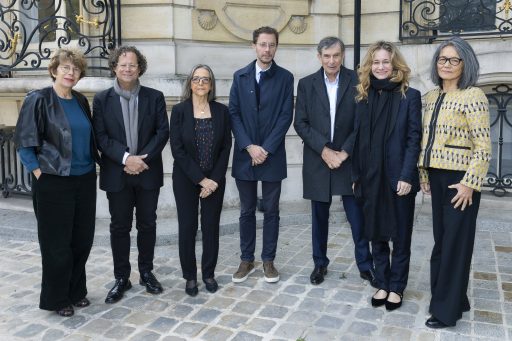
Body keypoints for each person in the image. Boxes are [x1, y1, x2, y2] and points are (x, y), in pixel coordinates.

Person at [14, 48, 99, 317]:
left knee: (82, 239)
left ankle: (76, 291)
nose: (70, 72)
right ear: (54, 70)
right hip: (54, 181)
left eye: (75, 69)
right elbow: (24, 142)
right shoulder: (38, 99)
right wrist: (39, 174)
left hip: (84, 179)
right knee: (56, 244)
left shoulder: (81, 100)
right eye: (65, 67)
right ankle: (57, 297)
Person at [418, 36, 491, 328]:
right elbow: (425, 140)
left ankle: (446, 312)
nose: (446, 64)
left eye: (453, 60)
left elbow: (483, 146)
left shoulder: (473, 96)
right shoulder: (432, 96)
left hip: (460, 182)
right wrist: (424, 173)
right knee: (443, 242)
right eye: (442, 59)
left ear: (465, 63)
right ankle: (455, 298)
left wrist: (469, 183)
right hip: (436, 176)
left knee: (454, 246)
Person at [294, 36, 376, 287]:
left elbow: (363, 123)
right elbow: (301, 123)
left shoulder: (358, 80)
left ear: (343, 56)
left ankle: (365, 265)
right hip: (319, 159)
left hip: (348, 160)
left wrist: (344, 152)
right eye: (326, 56)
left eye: (336, 55)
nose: (332, 61)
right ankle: (320, 263)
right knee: (319, 217)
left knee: (356, 217)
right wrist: (324, 151)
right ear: (319, 57)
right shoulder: (306, 84)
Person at [93, 46, 169, 303]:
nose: (128, 69)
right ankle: (121, 277)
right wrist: (127, 159)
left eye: (133, 65)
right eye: (123, 64)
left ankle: (146, 272)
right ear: (114, 66)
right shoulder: (102, 99)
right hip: (118, 173)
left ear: (140, 68)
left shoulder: (154, 97)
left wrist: (141, 160)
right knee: (120, 226)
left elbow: (162, 132)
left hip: (147, 171)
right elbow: (101, 137)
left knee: (148, 224)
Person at [351, 41, 422, 311]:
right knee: (375, 233)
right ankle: (382, 282)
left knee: (401, 235)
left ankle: (397, 287)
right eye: (376, 62)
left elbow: (414, 138)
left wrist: (406, 175)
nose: (381, 67)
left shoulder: (410, 96)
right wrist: (356, 175)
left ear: (395, 65)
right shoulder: (363, 97)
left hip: (398, 178)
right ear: (370, 66)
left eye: (386, 62)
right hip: (370, 178)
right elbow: (357, 139)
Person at [229, 26, 294, 283]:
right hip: (246, 154)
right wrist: (249, 146)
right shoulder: (240, 76)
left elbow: (285, 116)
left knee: (272, 210)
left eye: (272, 45)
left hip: (272, 154)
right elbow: (233, 113)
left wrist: (265, 148)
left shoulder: (286, 77)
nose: (267, 50)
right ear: (254, 46)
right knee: (246, 210)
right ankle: (247, 259)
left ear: (276, 47)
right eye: (263, 44)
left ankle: (268, 260)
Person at [170, 65, 232, 296]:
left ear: (211, 85)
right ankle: (190, 276)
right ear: (190, 83)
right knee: (187, 227)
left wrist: (213, 180)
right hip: (186, 179)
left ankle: (208, 273)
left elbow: (227, 147)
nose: (200, 83)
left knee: (210, 227)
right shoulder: (179, 111)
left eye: (205, 79)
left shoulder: (222, 112)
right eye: (196, 79)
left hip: (215, 180)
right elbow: (177, 149)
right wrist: (200, 180)